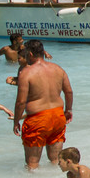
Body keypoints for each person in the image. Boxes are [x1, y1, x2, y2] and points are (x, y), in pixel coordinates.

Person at [13, 40, 73, 170]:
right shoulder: (58, 69)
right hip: (57, 116)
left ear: (30, 54)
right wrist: (68, 110)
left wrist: (16, 121)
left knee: (32, 164)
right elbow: (68, 91)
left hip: (37, 119)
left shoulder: (27, 73)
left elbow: (21, 102)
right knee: (56, 161)